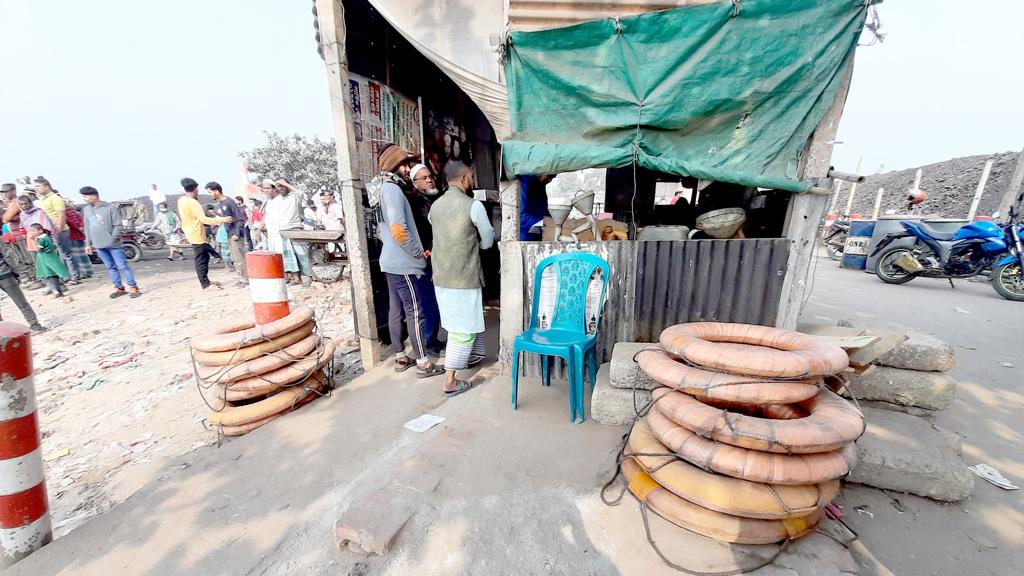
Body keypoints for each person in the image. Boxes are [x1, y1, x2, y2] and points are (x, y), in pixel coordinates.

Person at [428, 161, 494, 397]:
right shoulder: (473, 206)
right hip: (463, 276)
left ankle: (472, 356)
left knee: (461, 321)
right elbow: (487, 237)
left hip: (441, 277)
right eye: (473, 176)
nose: (473, 180)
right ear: (464, 177)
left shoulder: (435, 207)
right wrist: (480, 245)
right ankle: (450, 381)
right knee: (461, 329)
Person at [377, 143, 443, 377]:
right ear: (397, 165)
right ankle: (423, 363)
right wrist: (418, 254)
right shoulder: (393, 190)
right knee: (415, 311)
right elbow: (398, 229)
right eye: (406, 164)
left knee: (396, 310)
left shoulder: (384, 189)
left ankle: (400, 358)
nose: (408, 169)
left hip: (390, 261)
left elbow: (383, 229)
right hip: (403, 263)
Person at [80, 186, 142, 298]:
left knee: (122, 266)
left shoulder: (110, 208)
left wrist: (112, 238)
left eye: (86, 196)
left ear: (94, 196)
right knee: (110, 267)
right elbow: (87, 227)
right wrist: (88, 244)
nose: (84, 199)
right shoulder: (87, 210)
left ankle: (133, 287)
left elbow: (118, 226)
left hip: (114, 244)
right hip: (98, 244)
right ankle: (119, 288)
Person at [177, 177, 231, 290]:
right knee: (201, 260)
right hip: (196, 233)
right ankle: (205, 285)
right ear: (195, 189)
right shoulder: (193, 203)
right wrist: (223, 219)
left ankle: (206, 280)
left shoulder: (181, 200)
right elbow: (204, 219)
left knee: (204, 256)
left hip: (190, 232)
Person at [262, 179, 312, 286]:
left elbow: (301, 193)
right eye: (278, 186)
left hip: (294, 229)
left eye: (282, 186)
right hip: (283, 231)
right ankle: (296, 278)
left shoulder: (293, 197)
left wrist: (286, 183)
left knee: (302, 255)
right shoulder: (279, 200)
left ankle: (308, 278)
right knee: (290, 256)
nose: (280, 188)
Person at [33, 177, 82, 283]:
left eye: (38, 186)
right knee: (58, 254)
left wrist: (59, 230)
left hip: (60, 230)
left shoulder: (55, 198)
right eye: (35, 186)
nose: (36, 188)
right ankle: (65, 276)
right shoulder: (42, 200)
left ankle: (75, 276)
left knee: (66, 254)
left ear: (46, 186)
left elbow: (61, 216)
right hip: (49, 230)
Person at [207, 182, 248, 286]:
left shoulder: (229, 202)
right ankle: (241, 277)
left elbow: (240, 218)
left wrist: (237, 233)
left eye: (210, 192)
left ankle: (246, 279)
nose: (210, 195)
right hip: (228, 234)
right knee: (234, 258)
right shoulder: (221, 203)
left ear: (216, 191)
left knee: (239, 257)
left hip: (235, 235)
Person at [1, 183, 39, 286]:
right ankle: (32, 278)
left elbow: (7, 218)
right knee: (21, 258)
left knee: (28, 257)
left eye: (6, 192)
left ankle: (37, 279)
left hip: (21, 233)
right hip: (14, 235)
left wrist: (8, 217)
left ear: (13, 191)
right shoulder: (9, 204)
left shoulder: (17, 202)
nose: (4, 194)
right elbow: (5, 218)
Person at [0, 248, 45, 332]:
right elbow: (7, 256)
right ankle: (35, 325)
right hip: (5, 274)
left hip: (4, 274)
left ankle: (2, 332)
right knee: (22, 303)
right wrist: (16, 273)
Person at [28, 224, 70, 300]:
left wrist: (33, 240)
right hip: (51, 258)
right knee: (54, 274)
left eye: (33, 230)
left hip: (45, 259)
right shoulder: (47, 237)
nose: (32, 232)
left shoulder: (42, 239)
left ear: (40, 230)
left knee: (48, 275)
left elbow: (38, 250)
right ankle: (58, 290)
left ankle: (55, 290)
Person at [407, 163, 441, 251]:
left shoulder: (438, 199)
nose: (429, 180)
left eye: (431, 176)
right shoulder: (415, 204)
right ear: (415, 184)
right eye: (424, 178)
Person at [519, 174, 555, 240]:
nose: (550, 180)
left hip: (540, 235)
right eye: (549, 176)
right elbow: (519, 216)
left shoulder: (541, 185)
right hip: (524, 236)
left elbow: (544, 211)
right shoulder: (523, 181)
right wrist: (543, 223)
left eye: (553, 178)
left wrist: (552, 222)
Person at [64, 202, 94, 279]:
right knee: (80, 254)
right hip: (76, 233)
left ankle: (86, 273)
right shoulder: (69, 208)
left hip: (73, 234)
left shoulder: (66, 209)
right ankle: (86, 272)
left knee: (78, 255)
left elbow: (73, 222)